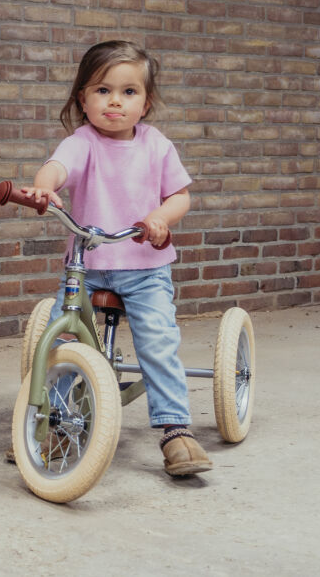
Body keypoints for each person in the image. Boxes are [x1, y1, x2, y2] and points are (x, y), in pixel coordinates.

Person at [19, 40, 212, 476]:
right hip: (86, 270)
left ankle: (175, 429)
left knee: (158, 343)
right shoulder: (82, 142)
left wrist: (161, 218)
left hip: (144, 269)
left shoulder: (156, 145)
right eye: (102, 90)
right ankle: (55, 425)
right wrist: (44, 186)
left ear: (146, 103)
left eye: (129, 92)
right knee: (61, 344)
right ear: (82, 99)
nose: (115, 102)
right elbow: (57, 166)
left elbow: (180, 196)